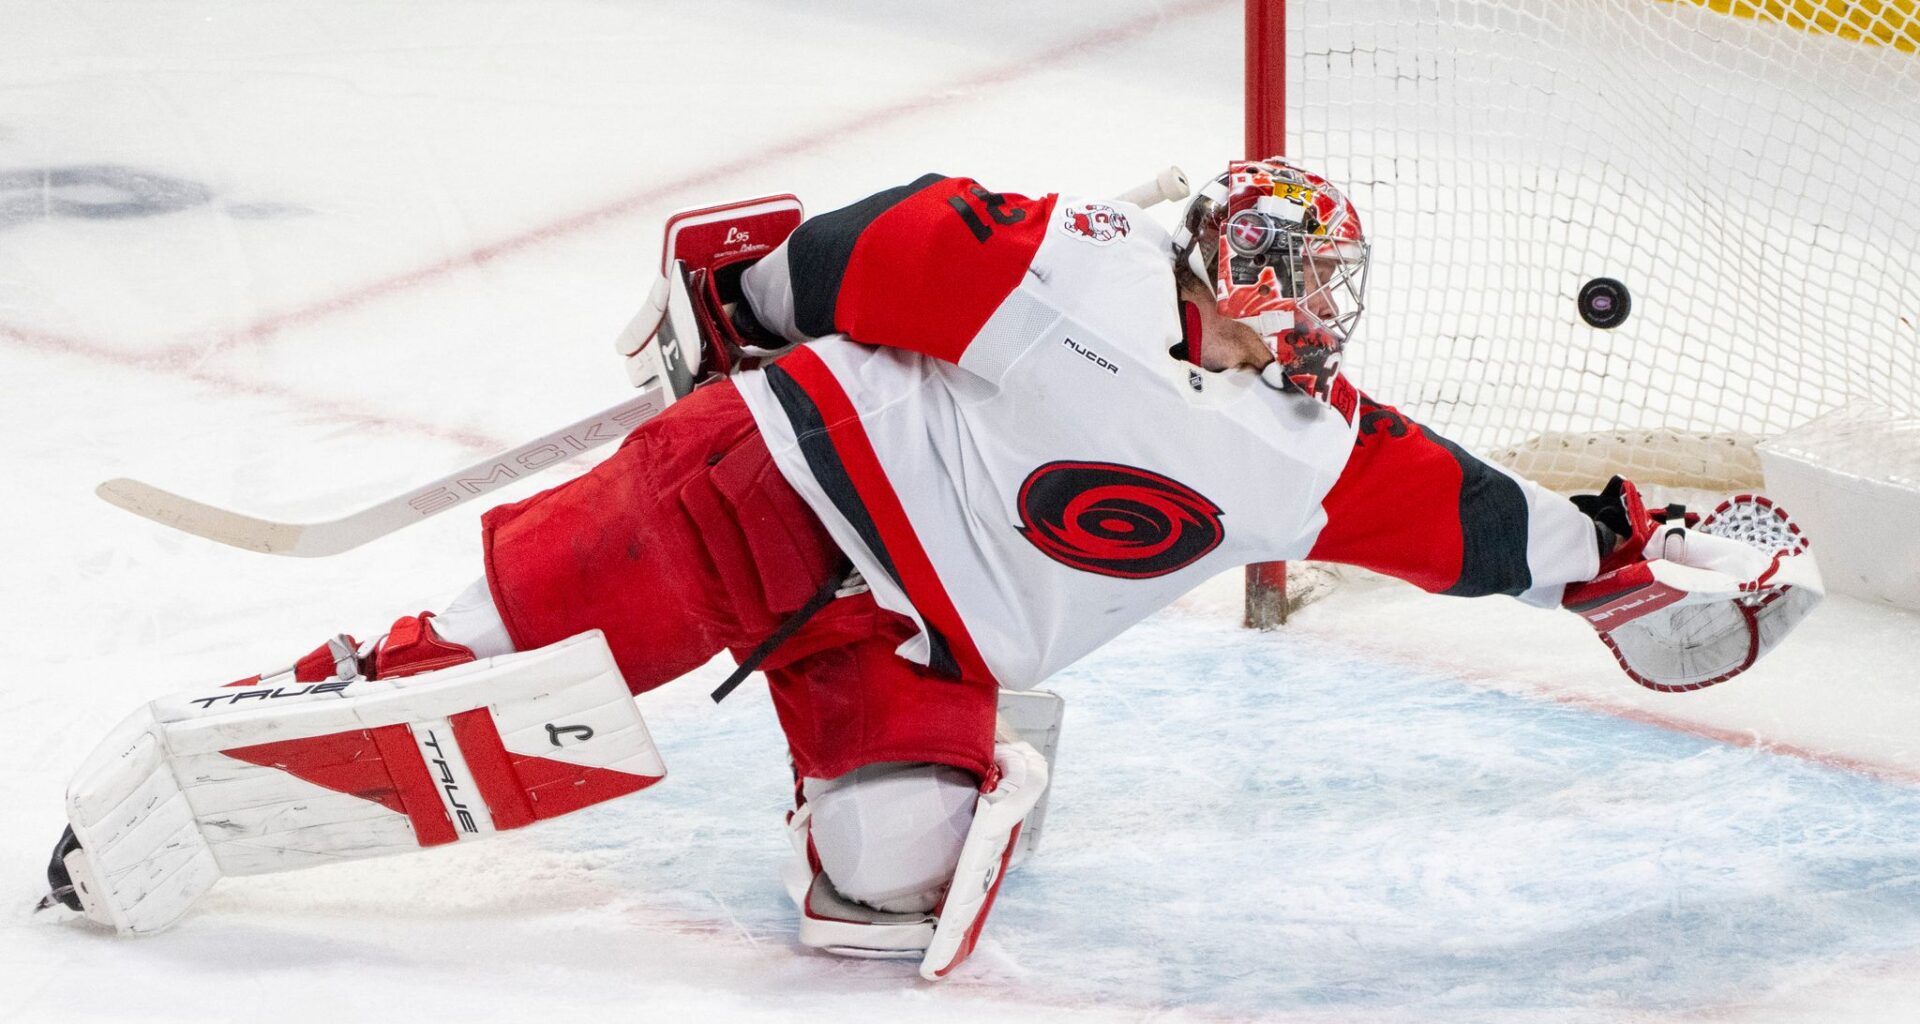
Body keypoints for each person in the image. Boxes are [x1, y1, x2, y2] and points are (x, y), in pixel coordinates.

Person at [39, 159, 1817, 977]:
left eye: (1324, 289)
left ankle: (971, 763)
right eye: (1273, 269)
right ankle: (278, 717)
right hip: (760, 495)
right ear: (1211, 251)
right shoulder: (1074, 266)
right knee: (494, 656)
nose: (1299, 310)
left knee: (884, 897)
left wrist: (1623, 563)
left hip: (901, 642)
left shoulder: (1310, 452)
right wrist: (734, 307)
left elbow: (1483, 527)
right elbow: (857, 250)